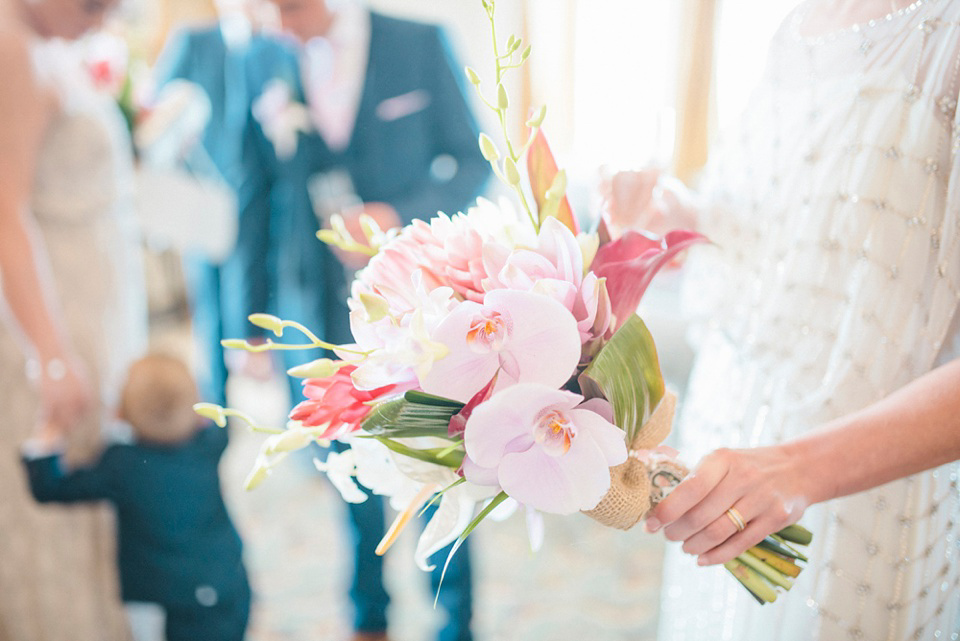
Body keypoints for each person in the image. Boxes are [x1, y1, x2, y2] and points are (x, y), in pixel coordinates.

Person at [607, 0, 960, 638]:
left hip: (862, 471)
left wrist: (799, 469)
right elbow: (793, 241)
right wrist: (678, 214)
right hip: (730, 437)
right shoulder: (793, 27)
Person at [242, 2, 490, 639]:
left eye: (283, 7)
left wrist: (397, 216)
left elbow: (472, 161)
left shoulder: (417, 41)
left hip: (420, 309)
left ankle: (452, 622)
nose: (273, 24)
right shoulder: (266, 58)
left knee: (440, 468)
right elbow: (256, 197)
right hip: (317, 308)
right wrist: (254, 326)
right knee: (347, 470)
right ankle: (367, 617)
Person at [0, 0, 149, 639]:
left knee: (101, 488)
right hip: (61, 314)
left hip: (94, 299)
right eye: (92, 6)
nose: (101, 19)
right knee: (68, 496)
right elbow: (5, 213)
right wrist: (52, 355)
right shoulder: (11, 48)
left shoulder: (44, 39)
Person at [21, 353, 251, 641]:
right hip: (230, 583)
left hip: (172, 599)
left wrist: (49, 430)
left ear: (120, 411)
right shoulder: (210, 442)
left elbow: (51, 489)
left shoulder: (121, 464)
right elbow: (222, 413)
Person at [150, 0, 278, 407]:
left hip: (268, 202)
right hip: (206, 203)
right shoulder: (192, 41)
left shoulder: (279, 44)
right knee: (211, 307)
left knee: (269, 298)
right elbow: (156, 117)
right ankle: (215, 406)